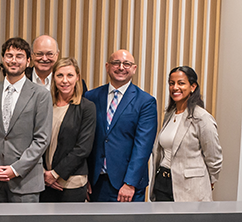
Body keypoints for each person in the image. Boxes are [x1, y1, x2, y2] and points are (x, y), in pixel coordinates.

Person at [0, 37, 51, 203]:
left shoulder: (40, 95)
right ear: (3, 58)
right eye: (9, 55)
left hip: (26, 182)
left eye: (19, 56)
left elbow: (42, 139)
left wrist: (15, 169)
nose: (14, 60)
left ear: (28, 61)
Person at [85, 49, 158, 202]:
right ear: (107, 66)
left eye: (126, 64)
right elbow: (85, 140)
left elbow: (143, 146)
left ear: (134, 69)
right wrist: (84, 178)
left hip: (127, 185)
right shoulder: (91, 97)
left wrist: (130, 183)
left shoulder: (145, 102)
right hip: (96, 182)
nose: (121, 67)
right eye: (116, 63)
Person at [151, 66, 221, 202]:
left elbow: (214, 157)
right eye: (171, 83)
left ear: (193, 87)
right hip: (162, 184)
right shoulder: (170, 115)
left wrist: (209, 181)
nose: (175, 87)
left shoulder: (202, 117)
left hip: (190, 188)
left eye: (181, 83)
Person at [41, 58, 96, 202]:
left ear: (77, 77)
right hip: (44, 180)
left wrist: (55, 173)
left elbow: (83, 148)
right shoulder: (45, 104)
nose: (65, 80)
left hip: (72, 182)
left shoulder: (86, 107)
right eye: (60, 75)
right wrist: (43, 173)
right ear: (53, 77)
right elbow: (34, 139)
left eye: (70, 75)